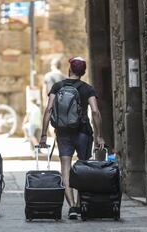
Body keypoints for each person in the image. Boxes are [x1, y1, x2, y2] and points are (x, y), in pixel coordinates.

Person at [39, 56, 105, 220]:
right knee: (83, 168)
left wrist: (43, 135)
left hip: (63, 133)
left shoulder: (57, 86)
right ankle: (80, 203)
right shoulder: (87, 88)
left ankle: (73, 208)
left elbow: (48, 110)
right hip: (83, 132)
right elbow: (95, 112)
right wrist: (99, 136)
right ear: (83, 72)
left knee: (65, 169)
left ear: (69, 70)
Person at [43, 58, 66, 137]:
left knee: (51, 123)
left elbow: (45, 91)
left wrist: (45, 103)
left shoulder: (48, 76)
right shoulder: (64, 77)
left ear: (52, 66)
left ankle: (56, 139)